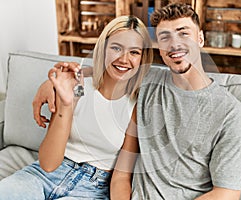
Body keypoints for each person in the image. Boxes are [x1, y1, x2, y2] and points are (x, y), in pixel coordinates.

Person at [33, 3, 241, 200]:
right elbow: (111, 66)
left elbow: (227, 193)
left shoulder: (232, 114)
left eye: (183, 34)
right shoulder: (149, 81)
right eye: (165, 37)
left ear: (200, 38)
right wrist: (52, 83)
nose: (174, 44)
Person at [0, 15, 153, 199]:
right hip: (43, 175)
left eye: (134, 52)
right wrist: (66, 104)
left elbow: (121, 176)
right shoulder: (77, 86)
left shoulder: (136, 106)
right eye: (116, 48)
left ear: (143, 58)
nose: (124, 59)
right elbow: (48, 163)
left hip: (93, 189)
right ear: (103, 49)